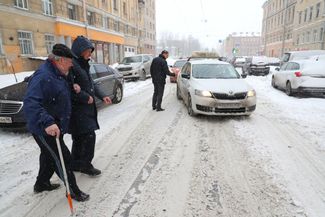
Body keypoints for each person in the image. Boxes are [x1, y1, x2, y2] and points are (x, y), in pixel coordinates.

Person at [23, 44, 89, 202]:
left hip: (55, 125)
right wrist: (47, 122)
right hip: (44, 128)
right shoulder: (43, 75)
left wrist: (73, 88)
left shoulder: (57, 72)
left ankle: (41, 183)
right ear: (60, 60)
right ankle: (74, 191)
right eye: (69, 61)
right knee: (62, 157)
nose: (72, 64)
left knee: (48, 155)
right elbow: (30, 102)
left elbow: (57, 90)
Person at [69, 36, 111, 176]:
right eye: (88, 51)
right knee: (88, 137)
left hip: (85, 109)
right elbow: (69, 89)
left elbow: (90, 84)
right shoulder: (72, 65)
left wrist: (102, 95)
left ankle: (76, 163)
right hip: (79, 110)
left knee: (80, 138)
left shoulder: (82, 64)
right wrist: (85, 97)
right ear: (80, 50)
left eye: (90, 51)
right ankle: (85, 165)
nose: (90, 54)